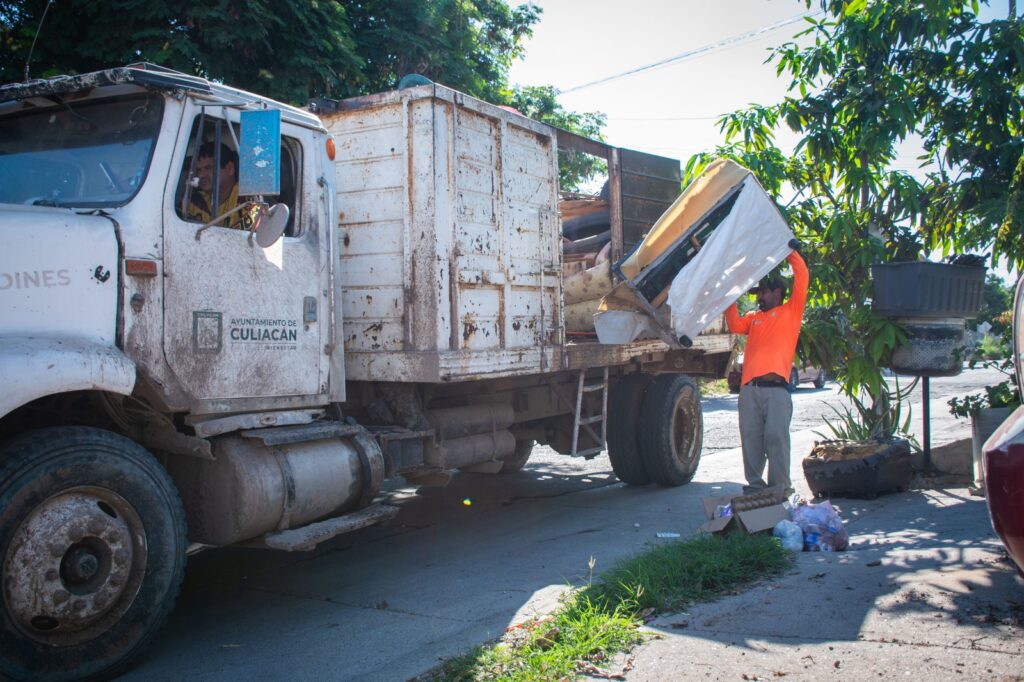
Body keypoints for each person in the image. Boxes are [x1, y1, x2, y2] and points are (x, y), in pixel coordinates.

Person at [725, 242, 808, 495]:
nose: (759, 298)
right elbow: (735, 326)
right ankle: (755, 489)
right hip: (750, 391)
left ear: (777, 293)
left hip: (777, 391)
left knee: (776, 439)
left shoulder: (791, 311)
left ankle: (780, 490)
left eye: (763, 293)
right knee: (751, 441)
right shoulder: (754, 319)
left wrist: (790, 251)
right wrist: (730, 298)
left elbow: (802, 277)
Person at [187, 142, 246, 229]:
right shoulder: (194, 202)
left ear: (230, 168)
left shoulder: (247, 199)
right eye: (199, 170)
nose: (201, 175)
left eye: (208, 168)